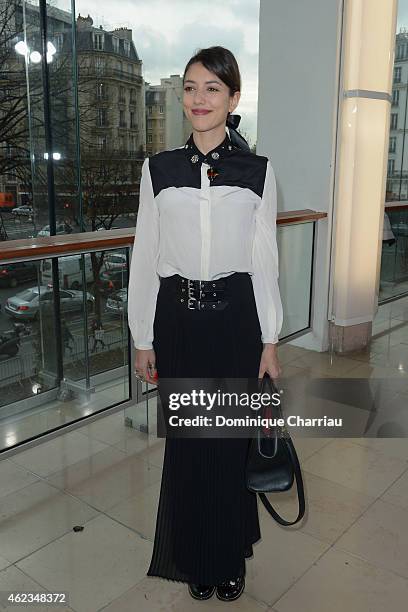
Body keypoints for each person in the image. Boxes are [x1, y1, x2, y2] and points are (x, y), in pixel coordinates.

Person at [127, 46, 283, 602]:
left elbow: (264, 260)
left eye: (212, 89)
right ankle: (196, 557)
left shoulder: (257, 171)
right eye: (191, 87)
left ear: (233, 98)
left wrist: (270, 338)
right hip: (179, 322)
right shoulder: (159, 169)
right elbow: (146, 255)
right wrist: (142, 336)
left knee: (229, 444)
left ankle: (229, 555)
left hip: (236, 321)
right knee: (190, 448)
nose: (199, 98)